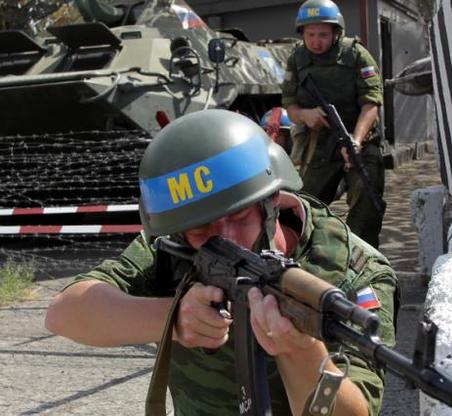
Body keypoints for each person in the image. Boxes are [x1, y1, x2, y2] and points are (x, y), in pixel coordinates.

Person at [44, 109, 398, 416]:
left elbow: (356, 411)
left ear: (272, 199)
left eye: (240, 216)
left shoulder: (355, 271)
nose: (225, 238)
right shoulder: (175, 246)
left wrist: (301, 351)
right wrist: (174, 318)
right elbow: (64, 313)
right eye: (202, 228)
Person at [281, 0, 386, 249]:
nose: (316, 41)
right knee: (303, 204)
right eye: (310, 35)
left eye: (323, 35)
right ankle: (305, 253)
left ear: (336, 32)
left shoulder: (356, 55)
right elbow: (290, 105)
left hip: (359, 139)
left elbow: (371, 103)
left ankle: (361, 254)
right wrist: (305, 115)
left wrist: (355, 141)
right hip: (319, 143)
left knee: (367, 200)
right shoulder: (297, 59)